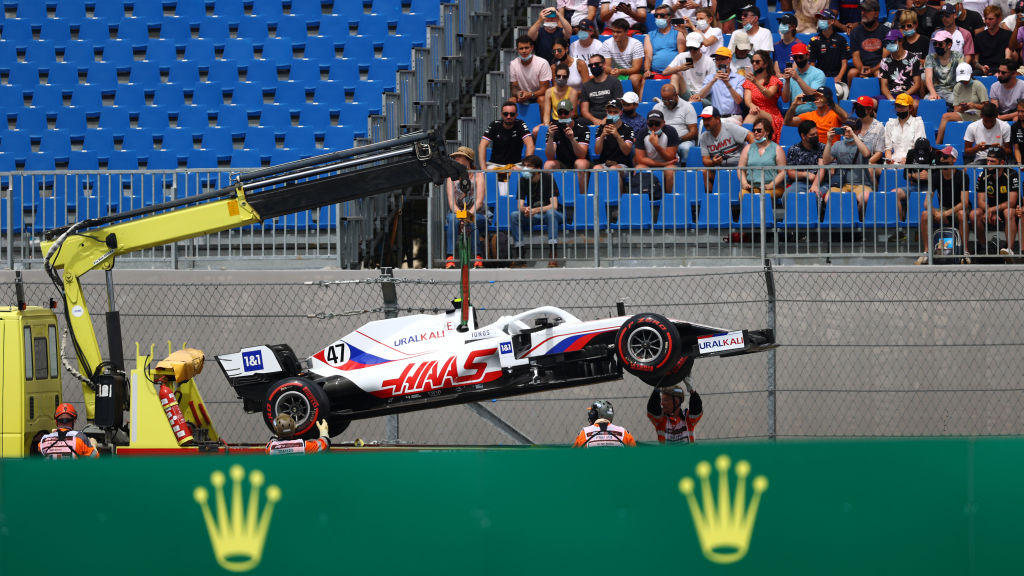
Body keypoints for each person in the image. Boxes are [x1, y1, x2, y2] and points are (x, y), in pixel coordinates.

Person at [914, 145, 971, 264]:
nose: (942, 160)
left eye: (946, 157)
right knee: (925, 214)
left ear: (954, 160)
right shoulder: (935, 176)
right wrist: (937, 213)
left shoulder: (962, 176)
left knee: (961, 214)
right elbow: (926, 202)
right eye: (940, 157)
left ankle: (965, 252)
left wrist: (945, 213)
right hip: (943, 208)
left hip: (958, 208)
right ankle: (926, 252)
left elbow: (964, 203)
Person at [510, 154, 564, 264]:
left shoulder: (548, 178)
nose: (525, 168)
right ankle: (520, 252)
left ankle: (553, 252)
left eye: (529, 166)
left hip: (551, 214)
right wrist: (525, 210)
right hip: (534, 215)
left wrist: (537, 210)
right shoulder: (522, 180)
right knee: (514, 215)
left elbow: (554, 205)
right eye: (524, 165)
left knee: (551, 213)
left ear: (538, 168)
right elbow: (519, 206)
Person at [444, 146, 487, 269]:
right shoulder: (450, 177)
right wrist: (461, 216)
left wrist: (467, 216)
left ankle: (478, 257)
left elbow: (479, 202)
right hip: (457, 212)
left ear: (468, 159)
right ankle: (450, 257)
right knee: (452, 219)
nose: (455, 158)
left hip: (476, 212)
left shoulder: (478, 175)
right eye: (454, 157)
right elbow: (452, 203)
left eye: (459, 156)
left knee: (471, 221)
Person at [970, 147, 1019, 252]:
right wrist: (989, 210)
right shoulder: (983, 174)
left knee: (1008, 212)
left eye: (992, 162)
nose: (988, 164)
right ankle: (984, 247)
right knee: (974, 214)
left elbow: (1012, 202)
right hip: (991, 208)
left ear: (1001, 162)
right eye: (987, 160)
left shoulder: (1012, 174)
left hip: (1009, 209)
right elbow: (981, 200)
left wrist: (992, 210)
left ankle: (1009, 250)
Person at [823, 119, 875, 211]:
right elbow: (826, 161)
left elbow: (866, 154)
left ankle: (857, 219)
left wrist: (854, 135)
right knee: (828, 199)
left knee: (865, 198)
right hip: (841, 184)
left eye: (851, 129)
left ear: (858, 131)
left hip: (861, 185)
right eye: (845, 129)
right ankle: (840, 222)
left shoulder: (865, 144)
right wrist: (829, 141)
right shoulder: (837, 144)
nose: (847, 132)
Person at [544, 99, 591, 197]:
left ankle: (582, 199)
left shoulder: (582, 128)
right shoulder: (553, 129)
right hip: (563, 162)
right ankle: (551, 200)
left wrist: (572, 139)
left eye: (566, 112)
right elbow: (550, 156)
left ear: (572, 112)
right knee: (548, 164)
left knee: (580, 163)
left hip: (580, 161)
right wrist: (551, 136)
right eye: (560, 113)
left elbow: (582, 155)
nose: (563, 115)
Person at [699, 105, 754, 189]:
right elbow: (705, 160)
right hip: (720, 169)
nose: (705, 123)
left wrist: (748, 155)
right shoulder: (704, 137)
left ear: (717, 119)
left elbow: (751, 136)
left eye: (708, 119)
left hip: (739, 166)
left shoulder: (730, 128)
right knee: (704, 172)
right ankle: (710, 199)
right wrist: (713, 162)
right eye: (704, 119)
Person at [690, 46, 746, 121]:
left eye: (722, 59)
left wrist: (727, 84)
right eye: (717, 59)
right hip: (716, 118)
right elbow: (700, 96)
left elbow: (738, 100)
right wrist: (713, 81)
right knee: (702, 125)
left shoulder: (739, 78)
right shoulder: (711, 78)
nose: (718, 62)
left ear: (729, 59)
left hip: (734, 117)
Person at [937, 62, 988, 143]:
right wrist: (963, 108)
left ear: (971, 75)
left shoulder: (978, 85)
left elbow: (987, 107)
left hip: (977, 114)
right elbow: (956, 109)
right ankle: (938, 144)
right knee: (945, 116)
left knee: (946, 116)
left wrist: (974, 106)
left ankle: (938, 143)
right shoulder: (957, 87)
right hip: (964, 113)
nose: (963, 81)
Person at [634, 109, 681, 193]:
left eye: (657, 124)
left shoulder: (671, 131)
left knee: (670, 171)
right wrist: (662, 164)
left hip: (670, 164)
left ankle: (669, 198)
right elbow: (640, 159)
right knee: (639, 168)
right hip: (650, 164)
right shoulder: (642, 133)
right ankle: (646, 200)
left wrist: (656, 145)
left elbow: (670, 157)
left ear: (663, 123)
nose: (654, 127)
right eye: (650, 124)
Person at [738, 117, 786, 198]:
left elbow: (782, 172)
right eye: (754, 130)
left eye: (759, 130)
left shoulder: (777, 149)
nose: (756, 132)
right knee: (743, 195)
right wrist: (745, 183)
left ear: (767, 132)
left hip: (773, 188)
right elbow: (740, 169)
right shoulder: (747, 148)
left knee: (765, 196)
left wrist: (771, 185)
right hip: (753, 187)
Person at [742, 49, 784, 142]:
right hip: (755, 110)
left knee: (754, 113)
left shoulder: (773, 80)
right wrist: (752, 105)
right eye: (752, 61)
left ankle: (747, 143)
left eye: (757, 62)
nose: (754, 64)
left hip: (771, 114)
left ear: (765, 64)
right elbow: (747, 100)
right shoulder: (749, 81)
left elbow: (769, 94)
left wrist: (756, 82)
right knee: (754, 112)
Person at [478, 101, 535, 169]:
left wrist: (526, 167)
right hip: (495, 165)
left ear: (516, 115)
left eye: (512, 114)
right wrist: (484, 169)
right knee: (483, 175)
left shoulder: (520, 124)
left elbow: (530, 145)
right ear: (501, 114)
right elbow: (482, 145)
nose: (508, 116)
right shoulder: (494, 125)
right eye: (505, 114)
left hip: (515, 165)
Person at [847, 0, 890, 84]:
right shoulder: (855, 32)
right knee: (852, 73)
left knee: (878, 74)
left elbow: (885, 59)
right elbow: (855, 57)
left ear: (876, 14)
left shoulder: (886, 32)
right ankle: (850, 96)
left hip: (879, 67)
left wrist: (872, 70)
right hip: (863, 67)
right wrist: (861, 69)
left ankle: (881, 97)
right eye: (862, 10)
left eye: (866, 11)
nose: (863, 13)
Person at [808, 10, 850, 96]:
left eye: (824, 18)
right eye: (819, 19)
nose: (820, 21)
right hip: (820, 77)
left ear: (832, 21)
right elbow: (812, 64)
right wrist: (815, 78)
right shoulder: (814, 40)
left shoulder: (841, 39)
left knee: (839, 92)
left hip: (837, 76)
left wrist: (839, 77)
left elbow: (844, 62)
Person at [652, 83, 699, 157]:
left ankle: (685, 168)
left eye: (670, 100)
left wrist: (677, 139)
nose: (667, 103)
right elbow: (652, 128)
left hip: (683, 141)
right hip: (662, 140)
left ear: (676, 95)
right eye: (664, 100)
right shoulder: (657, 107)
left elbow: (694, 132)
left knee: (686, 148)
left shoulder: (687, 107)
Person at [665, 32, 716, 99]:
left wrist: (699, 95)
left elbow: (712, 85)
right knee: (675, 75)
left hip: (702, 95)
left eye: (695, 48)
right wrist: (680, 68)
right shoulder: (682, 56)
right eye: (690, 48)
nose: (692, 51)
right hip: (686, 92)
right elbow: (665, 72)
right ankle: (673, 99)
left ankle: (677, 103)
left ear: (701, 45)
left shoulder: (709, 61)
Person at [601, 18, 645, 93]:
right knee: (604, 77)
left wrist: (620, 71)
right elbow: (606, 67)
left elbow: (636, 68)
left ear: (626, 32)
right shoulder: (607, 43)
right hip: (615, 72)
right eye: (613, 32)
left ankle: (637, 102)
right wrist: (612, 71)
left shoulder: (636, 44)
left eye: (618, 32)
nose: (615, 34)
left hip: (632, 73)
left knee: (635, 79)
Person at [781, 42, 826, 116]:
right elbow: (785, 100)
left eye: (801, 57)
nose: (798, 60)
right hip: (795, 115)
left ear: (807, 56)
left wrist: (797, 78)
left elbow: (813, 94)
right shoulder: (790, 75)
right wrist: (787, 81)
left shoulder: (818, 73)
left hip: (814, 114)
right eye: (795, 57)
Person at [880, 29, 923, 102]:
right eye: (888, 42)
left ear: (900, 41)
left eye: (892, 42)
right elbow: (883, 86)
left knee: (915, 104)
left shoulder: (914, 59)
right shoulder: (884, 61)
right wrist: (890, 98)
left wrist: (903, 96)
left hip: (908, 94)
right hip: (891, 94)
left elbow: (917, 84)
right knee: (872, 102)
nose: (889, 44)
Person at [785, 119, 826, 196]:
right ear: (803, 136)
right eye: (812, 135)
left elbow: (822, 168)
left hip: (821, 182)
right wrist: (805, 174)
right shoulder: (794, 149)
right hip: (801, 183)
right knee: (787, 195)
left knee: (815, 196)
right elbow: (791, 172)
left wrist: (815, 185)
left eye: (816, 133)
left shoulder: (823, 147)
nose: (815, 136)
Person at [579, 54, 624, 124]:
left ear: (604, 64)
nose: (593, 67)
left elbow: (618, 105)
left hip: (611, 116)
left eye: (596, 64)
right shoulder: (586, 85)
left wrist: (606, 119)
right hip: (592, 119)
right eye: (591, 65)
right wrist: (595, 121)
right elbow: (584, 111)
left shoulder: (615, 82)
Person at [644, 3, 685, 78]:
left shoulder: (678, 32)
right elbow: (648, 56)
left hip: (674, 72)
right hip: (655, 73)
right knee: (645, 80)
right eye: (656, 16)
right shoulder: (649, 36)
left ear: (670, 17)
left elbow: (681, 55)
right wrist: (647, 70)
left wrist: (677, 70)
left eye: (662, 15)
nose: (658, 18)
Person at [572, 400, 637, 447]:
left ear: (596, 415)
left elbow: (573, 457)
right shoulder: (624, 433)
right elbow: (635, 456)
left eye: (592, 413)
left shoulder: (584, 433)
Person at [884, 93, 927, 163]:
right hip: (893, 162)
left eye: (903, 106)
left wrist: (908, 159)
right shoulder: (889, 124)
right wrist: (889, 159)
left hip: (912, 161)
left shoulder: (918, 123)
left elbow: (919, 147)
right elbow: (888, 148)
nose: (900, 109)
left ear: (910, 108)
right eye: (898, 106)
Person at [510, 35, 551, 105]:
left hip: (539, 95)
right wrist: (518, 93)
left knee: (542, 99)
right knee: (511, 100)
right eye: (521, 48)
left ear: (532, 48)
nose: (524, 51)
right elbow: (514, 87)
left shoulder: (542, 63)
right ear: (517, 50)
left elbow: (545, 90)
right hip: (523, 96)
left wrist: (530, 94)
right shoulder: (513, 64)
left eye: (526, 48)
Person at [593, 98, 636, 167]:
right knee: (596, 168)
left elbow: (627, 152)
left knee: (613, 169)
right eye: (609, 112)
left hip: (622, 165)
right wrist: (602, 136)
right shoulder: (601, 128)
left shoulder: (628, 129)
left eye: (615, 112)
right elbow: (597, 152)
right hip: (604, 164)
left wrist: (617, 136)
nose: (612, 114)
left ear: (621, 113)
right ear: (606, 112)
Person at [924, 30, 962, 107]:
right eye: (935, 44)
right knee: (926, 100)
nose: (937, 46)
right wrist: (933, 92)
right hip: (936, 91)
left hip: (952, 92)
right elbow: (928, 78)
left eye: (940, 44)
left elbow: (962, 77)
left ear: (949, 45)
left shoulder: (958, 56)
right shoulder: (930, 58)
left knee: (958, 101)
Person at [265, 414, 330, 454]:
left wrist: (279, 432)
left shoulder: (270, 448)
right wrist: (323, 431)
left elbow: (273, 439)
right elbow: (324, 445)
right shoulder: (303, 445)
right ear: (294, 429)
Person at [975, 5, 1011, 75]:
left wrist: (1000, 71)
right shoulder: (979, 37)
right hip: (983, 70)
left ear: (999, 19)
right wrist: (981, 67)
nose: (987, 22)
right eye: (986, 19)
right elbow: (975, 61)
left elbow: (1008, 58)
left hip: (1001, 69)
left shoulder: (1008, 35)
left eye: (991, 19)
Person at [851, 95, 886, 164]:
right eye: (856, 107)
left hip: (870, 163)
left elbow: (879, 153)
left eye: (861, 107)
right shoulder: (852, 124)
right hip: (853, 161)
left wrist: (866, 165)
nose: (858, 109)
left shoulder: (878, 127)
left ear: (870, 109)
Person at [1010, 98, 1024, 163]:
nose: (1020, 114)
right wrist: (1019, 164)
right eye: (1018, 111)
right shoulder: (1014, 127)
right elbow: (1016, 149)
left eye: (1023, 111)